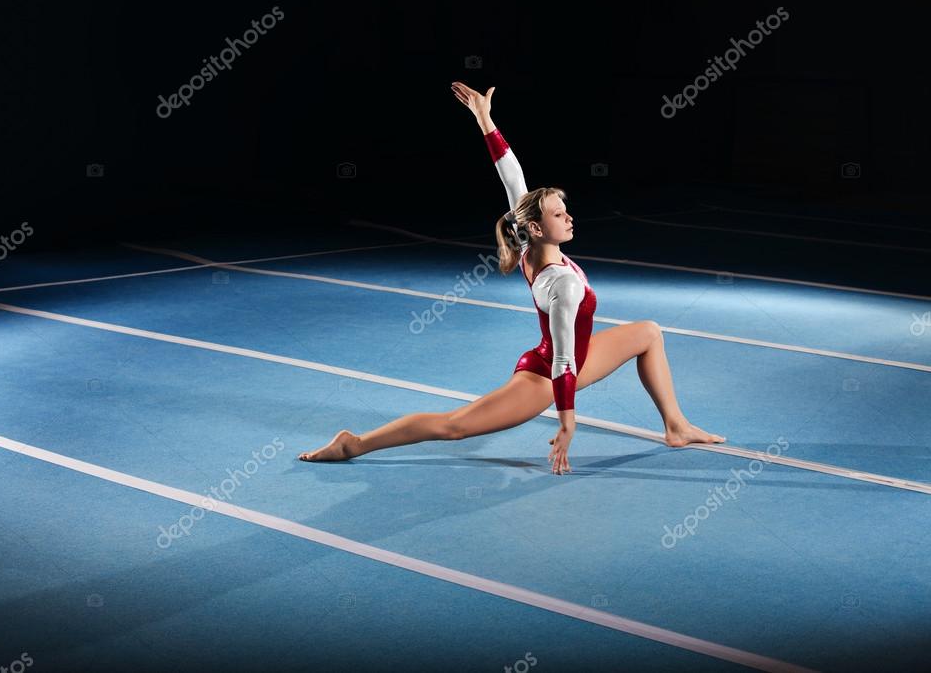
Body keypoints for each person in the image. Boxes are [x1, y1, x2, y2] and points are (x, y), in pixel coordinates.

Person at [298, 82, 725, 473]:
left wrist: (485, 119)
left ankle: (676, 426)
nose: (570, 216)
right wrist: (568, 423)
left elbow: (511, 174)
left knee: (648, 332)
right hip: (546, 375)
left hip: (576, 354)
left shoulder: (528, 241)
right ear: (537, 227)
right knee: (455, 427)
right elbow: (561, 363)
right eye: (560, 214)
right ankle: (354, 443)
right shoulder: (562, 282)